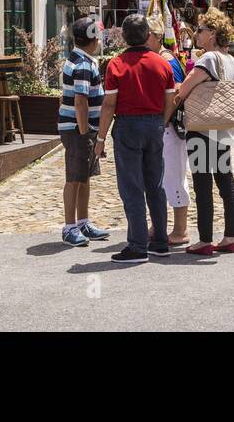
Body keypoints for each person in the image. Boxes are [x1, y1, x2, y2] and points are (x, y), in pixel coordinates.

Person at [95, 14, 176, 262]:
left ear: (124, 37)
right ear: (147, 35)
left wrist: (100, 138)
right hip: (154, 124)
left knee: (132, 187)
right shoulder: (161, 63)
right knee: (155, 184)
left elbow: (109, 104)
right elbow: (171, 98)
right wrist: (160, 122)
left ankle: (138, 245)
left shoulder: (116, 64)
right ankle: (160, 241)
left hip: (128, 125)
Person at [174, 9, 234, 256]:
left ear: (212, 34)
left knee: (203, 184)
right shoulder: (233, 62)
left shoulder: (209, 60)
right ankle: (230, 237)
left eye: (201, 30)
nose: (197, 34)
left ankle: (204, 239)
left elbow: (184, 89)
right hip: (224, 129)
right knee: (226, 181)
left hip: (203, 128)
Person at [59, 17, 111, 247]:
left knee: (84, 176)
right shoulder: (82, 65)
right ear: (93, 39)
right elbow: (81, 101)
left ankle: (83, 222)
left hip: (84, 129)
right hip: (79, 130)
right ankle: (70, 226)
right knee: (74, 178)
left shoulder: (81, 59)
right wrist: (85, 132)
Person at [147, 19, 190, 247]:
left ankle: (180, 229)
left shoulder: (168, 61)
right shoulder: (159, 58)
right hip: (163, 126)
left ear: (155, 37)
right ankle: (159, 225)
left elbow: (176, 94)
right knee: (159, 179)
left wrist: (162, 121)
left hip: (170, 127)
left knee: (174, 177)